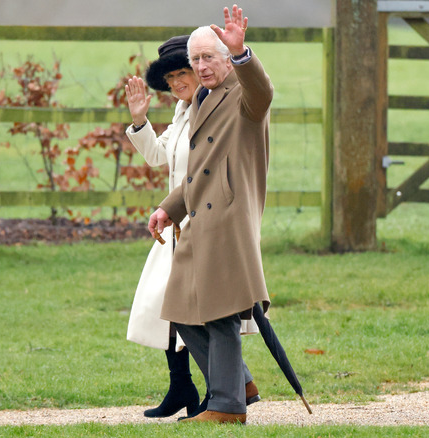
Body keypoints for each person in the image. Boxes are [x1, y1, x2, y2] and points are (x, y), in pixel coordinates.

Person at [147, 4, 273, 424]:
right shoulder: (203, 97)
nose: (200, 66)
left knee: (219, 313)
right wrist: (169, 207)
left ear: (225, 58)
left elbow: (263, 92)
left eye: (209, 58)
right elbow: (202, 170)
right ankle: (239, 383)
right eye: (195, 59)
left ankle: (226, 406)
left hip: (230, 218)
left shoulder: (243, 93)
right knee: (181, 310)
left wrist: (242, 55)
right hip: (199, 216)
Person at [124, 35, 201, 419]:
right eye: (169, 78)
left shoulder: (209, 108)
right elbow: (157, 156)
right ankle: (182, 385)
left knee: (194, 308)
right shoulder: (182, 112)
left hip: (201, 221)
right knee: (165, 305)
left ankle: (236, 385)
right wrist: (140, 119)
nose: (175, 84)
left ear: (200, 70)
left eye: (181, 73)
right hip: (174, 222)